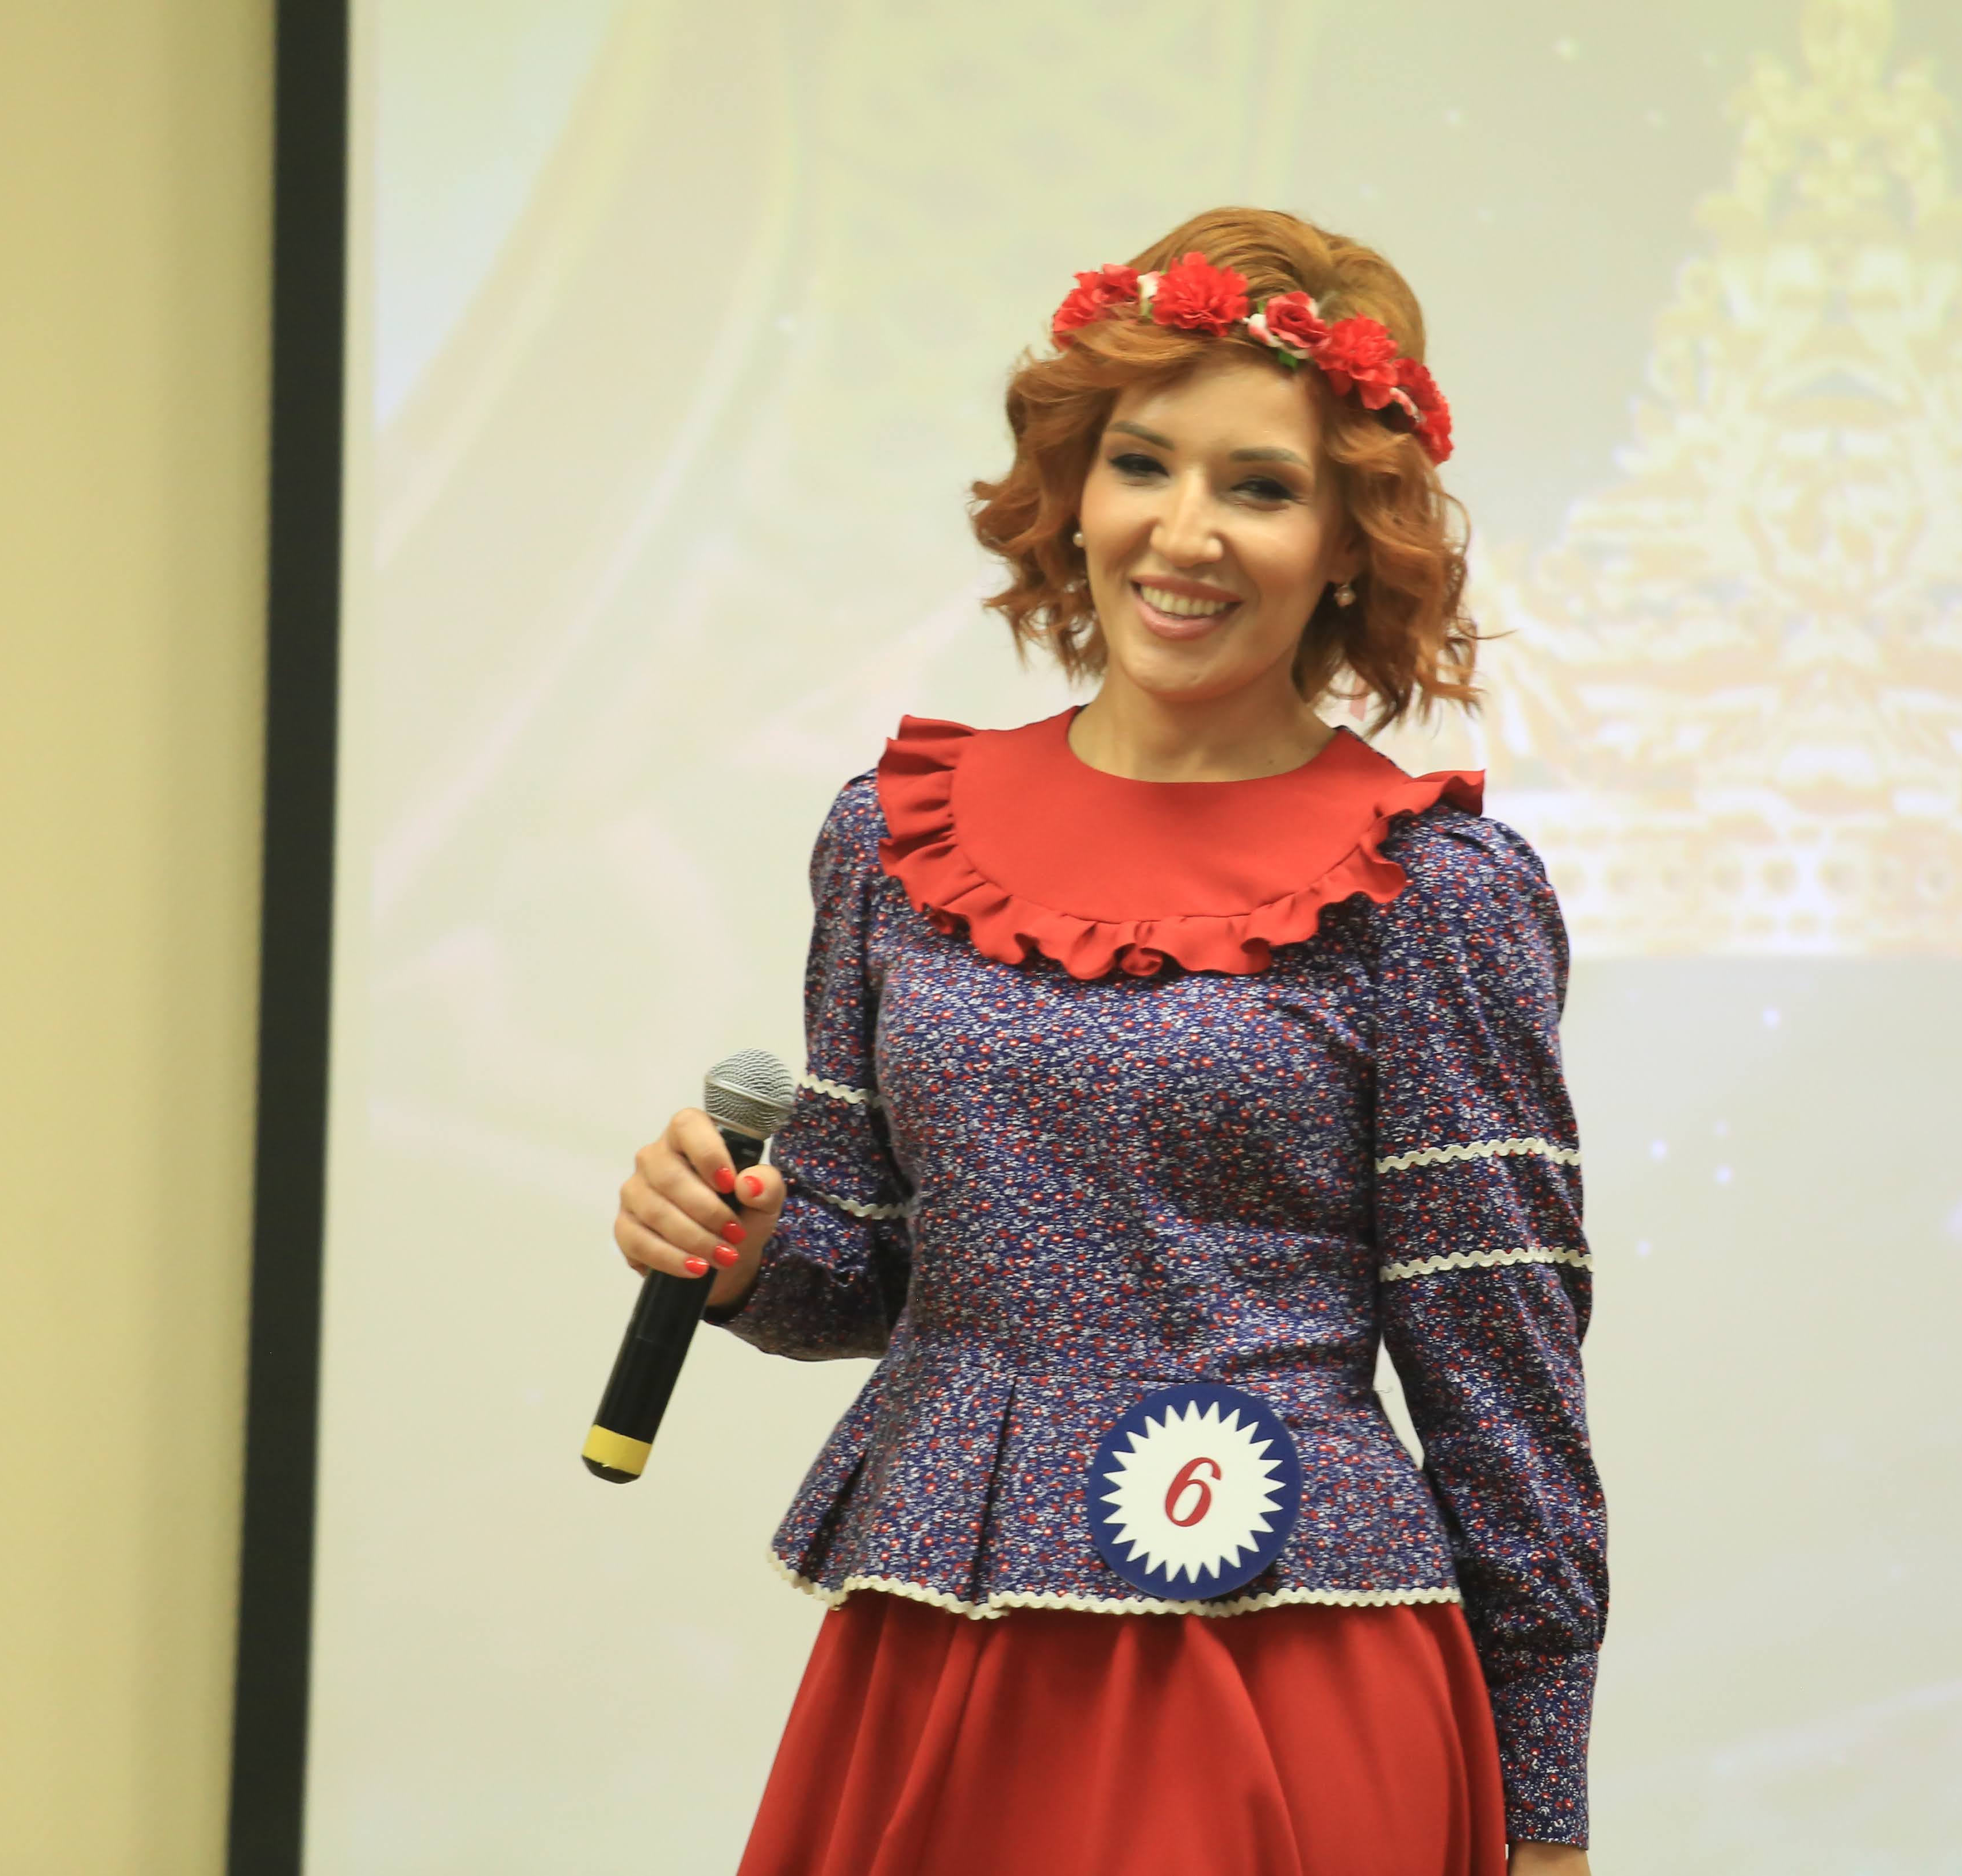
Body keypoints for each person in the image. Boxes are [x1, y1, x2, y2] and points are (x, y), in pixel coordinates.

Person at [613, 206, 1603, 1876]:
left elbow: (1501, 1369)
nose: (1183, 532)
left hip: (1294, 1658)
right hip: (945, 1651)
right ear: (1075, 488)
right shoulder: (890, 841)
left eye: (1260, 487)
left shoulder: (1435, 889)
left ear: (1348, 543)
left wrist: (1548, 1814)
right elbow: (862, 1267)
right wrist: (745, 1250)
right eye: (1142, 463)